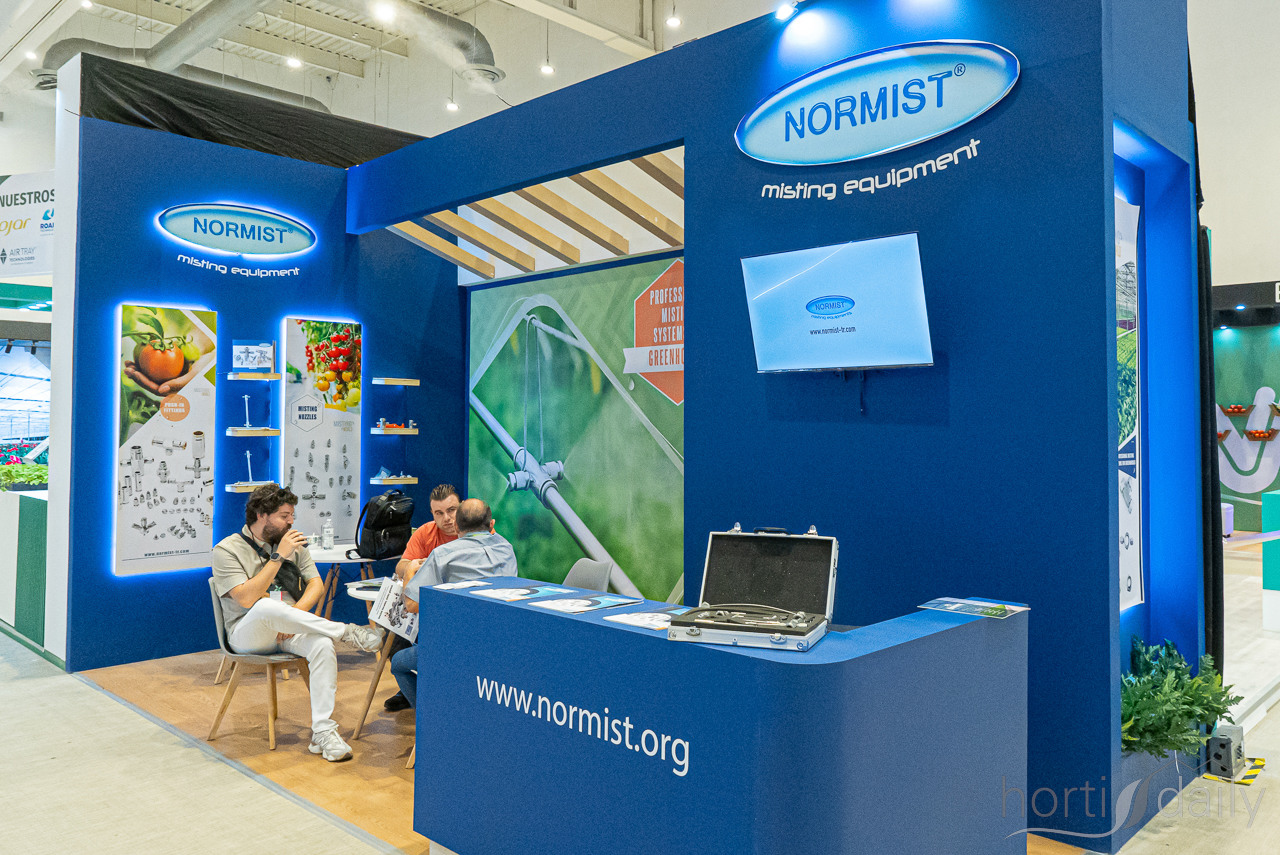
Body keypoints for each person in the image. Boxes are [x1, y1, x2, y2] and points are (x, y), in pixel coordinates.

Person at [211, 484, 384, 762]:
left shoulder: (293, 542)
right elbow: (246, 598)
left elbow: (316, 584)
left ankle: (323, 732)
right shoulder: (227, 549)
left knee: (322, 645)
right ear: (261, 515)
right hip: (247, 633)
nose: (291, 521)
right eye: (284, 515)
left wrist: (294, 617)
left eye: (292, 515)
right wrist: (278, 557)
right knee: (266, 606)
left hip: (288, 630)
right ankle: (346, 632)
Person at [389, 498, 517, 708]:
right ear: (491, 524)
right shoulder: (507, 548)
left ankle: (428, 718)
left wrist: (410, 571)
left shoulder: (443, 555)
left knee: (398, 663)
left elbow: (411, 605)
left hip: (454, 647)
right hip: (500, 644)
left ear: (457, 526)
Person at [380, 483, 461, 712]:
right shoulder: (426, 532)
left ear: (462, 507)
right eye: (439, 513)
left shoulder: (472, 532)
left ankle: (430, 695)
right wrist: (414, 566)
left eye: (452, 510)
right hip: (425, 606)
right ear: (432, 514)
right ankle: (408, 686)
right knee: (393, 628)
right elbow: (401, 565)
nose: (447, 518)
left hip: (457, 609)